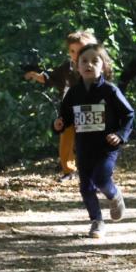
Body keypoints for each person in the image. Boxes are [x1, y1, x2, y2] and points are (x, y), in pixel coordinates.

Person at [53, 43, 134, 238]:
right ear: (77, 66)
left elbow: (129, 114)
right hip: (83, 146)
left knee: (100, 178)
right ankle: (97, 221)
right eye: (84, 61)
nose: (89, 65)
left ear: (103, 66)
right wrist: (58, 125)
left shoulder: (110, 91)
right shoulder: (73, 93)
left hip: (107, 146)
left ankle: (114, 195)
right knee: (85, 186)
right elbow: (65, 118)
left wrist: (121, 135)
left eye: (94, 61)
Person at [24, 29, 98, 181]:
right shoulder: (67, 67)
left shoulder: (95, 67)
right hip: (68, 110)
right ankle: (69, 171)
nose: (76, 54)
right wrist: (36, 76)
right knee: (66, 141)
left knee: (91, 141)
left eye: (80, 50)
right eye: (72, 51)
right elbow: (51, 77)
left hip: (89, 110)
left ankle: (94, 170)